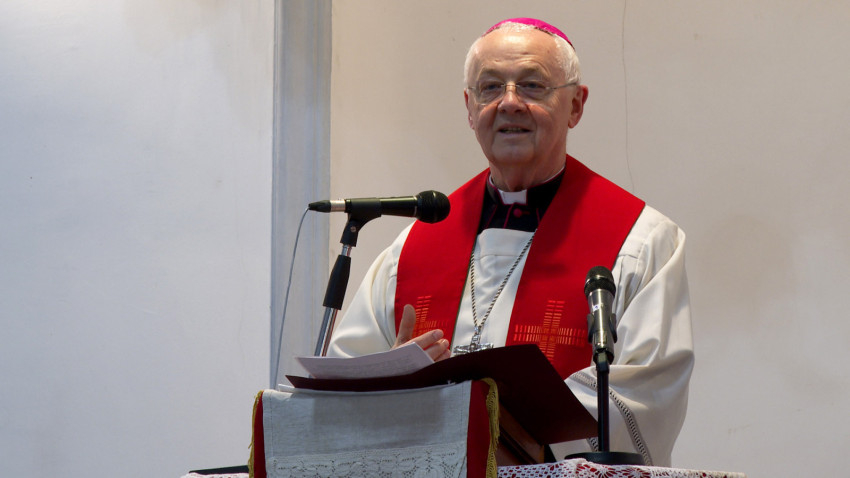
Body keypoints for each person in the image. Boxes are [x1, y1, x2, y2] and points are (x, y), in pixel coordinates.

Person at [328, 18, 693, 467]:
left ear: (576, 105)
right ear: (469, 108)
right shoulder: (413, 248)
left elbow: (646, 392)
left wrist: (497, 434)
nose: (510, 103)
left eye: (533, 86)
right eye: (490, 87)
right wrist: (393, 382)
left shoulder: (640, 240)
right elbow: (344, 384)